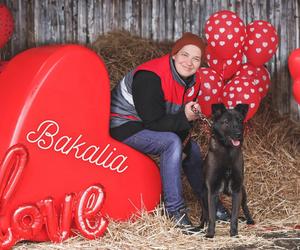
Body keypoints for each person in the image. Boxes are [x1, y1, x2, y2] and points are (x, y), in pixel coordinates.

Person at [110, 32, 229, 233]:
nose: (189, 62)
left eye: (196, 58)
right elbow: (154, 122)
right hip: (124, 125)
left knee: (191, 149)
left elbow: (179, 119)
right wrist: (182, 130)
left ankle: (211, 205)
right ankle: (175, 212)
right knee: (170, 142)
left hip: (152, 124)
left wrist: (185, 140)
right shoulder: (150, 76)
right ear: (174, 55)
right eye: (184, 55)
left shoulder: (195, 81)